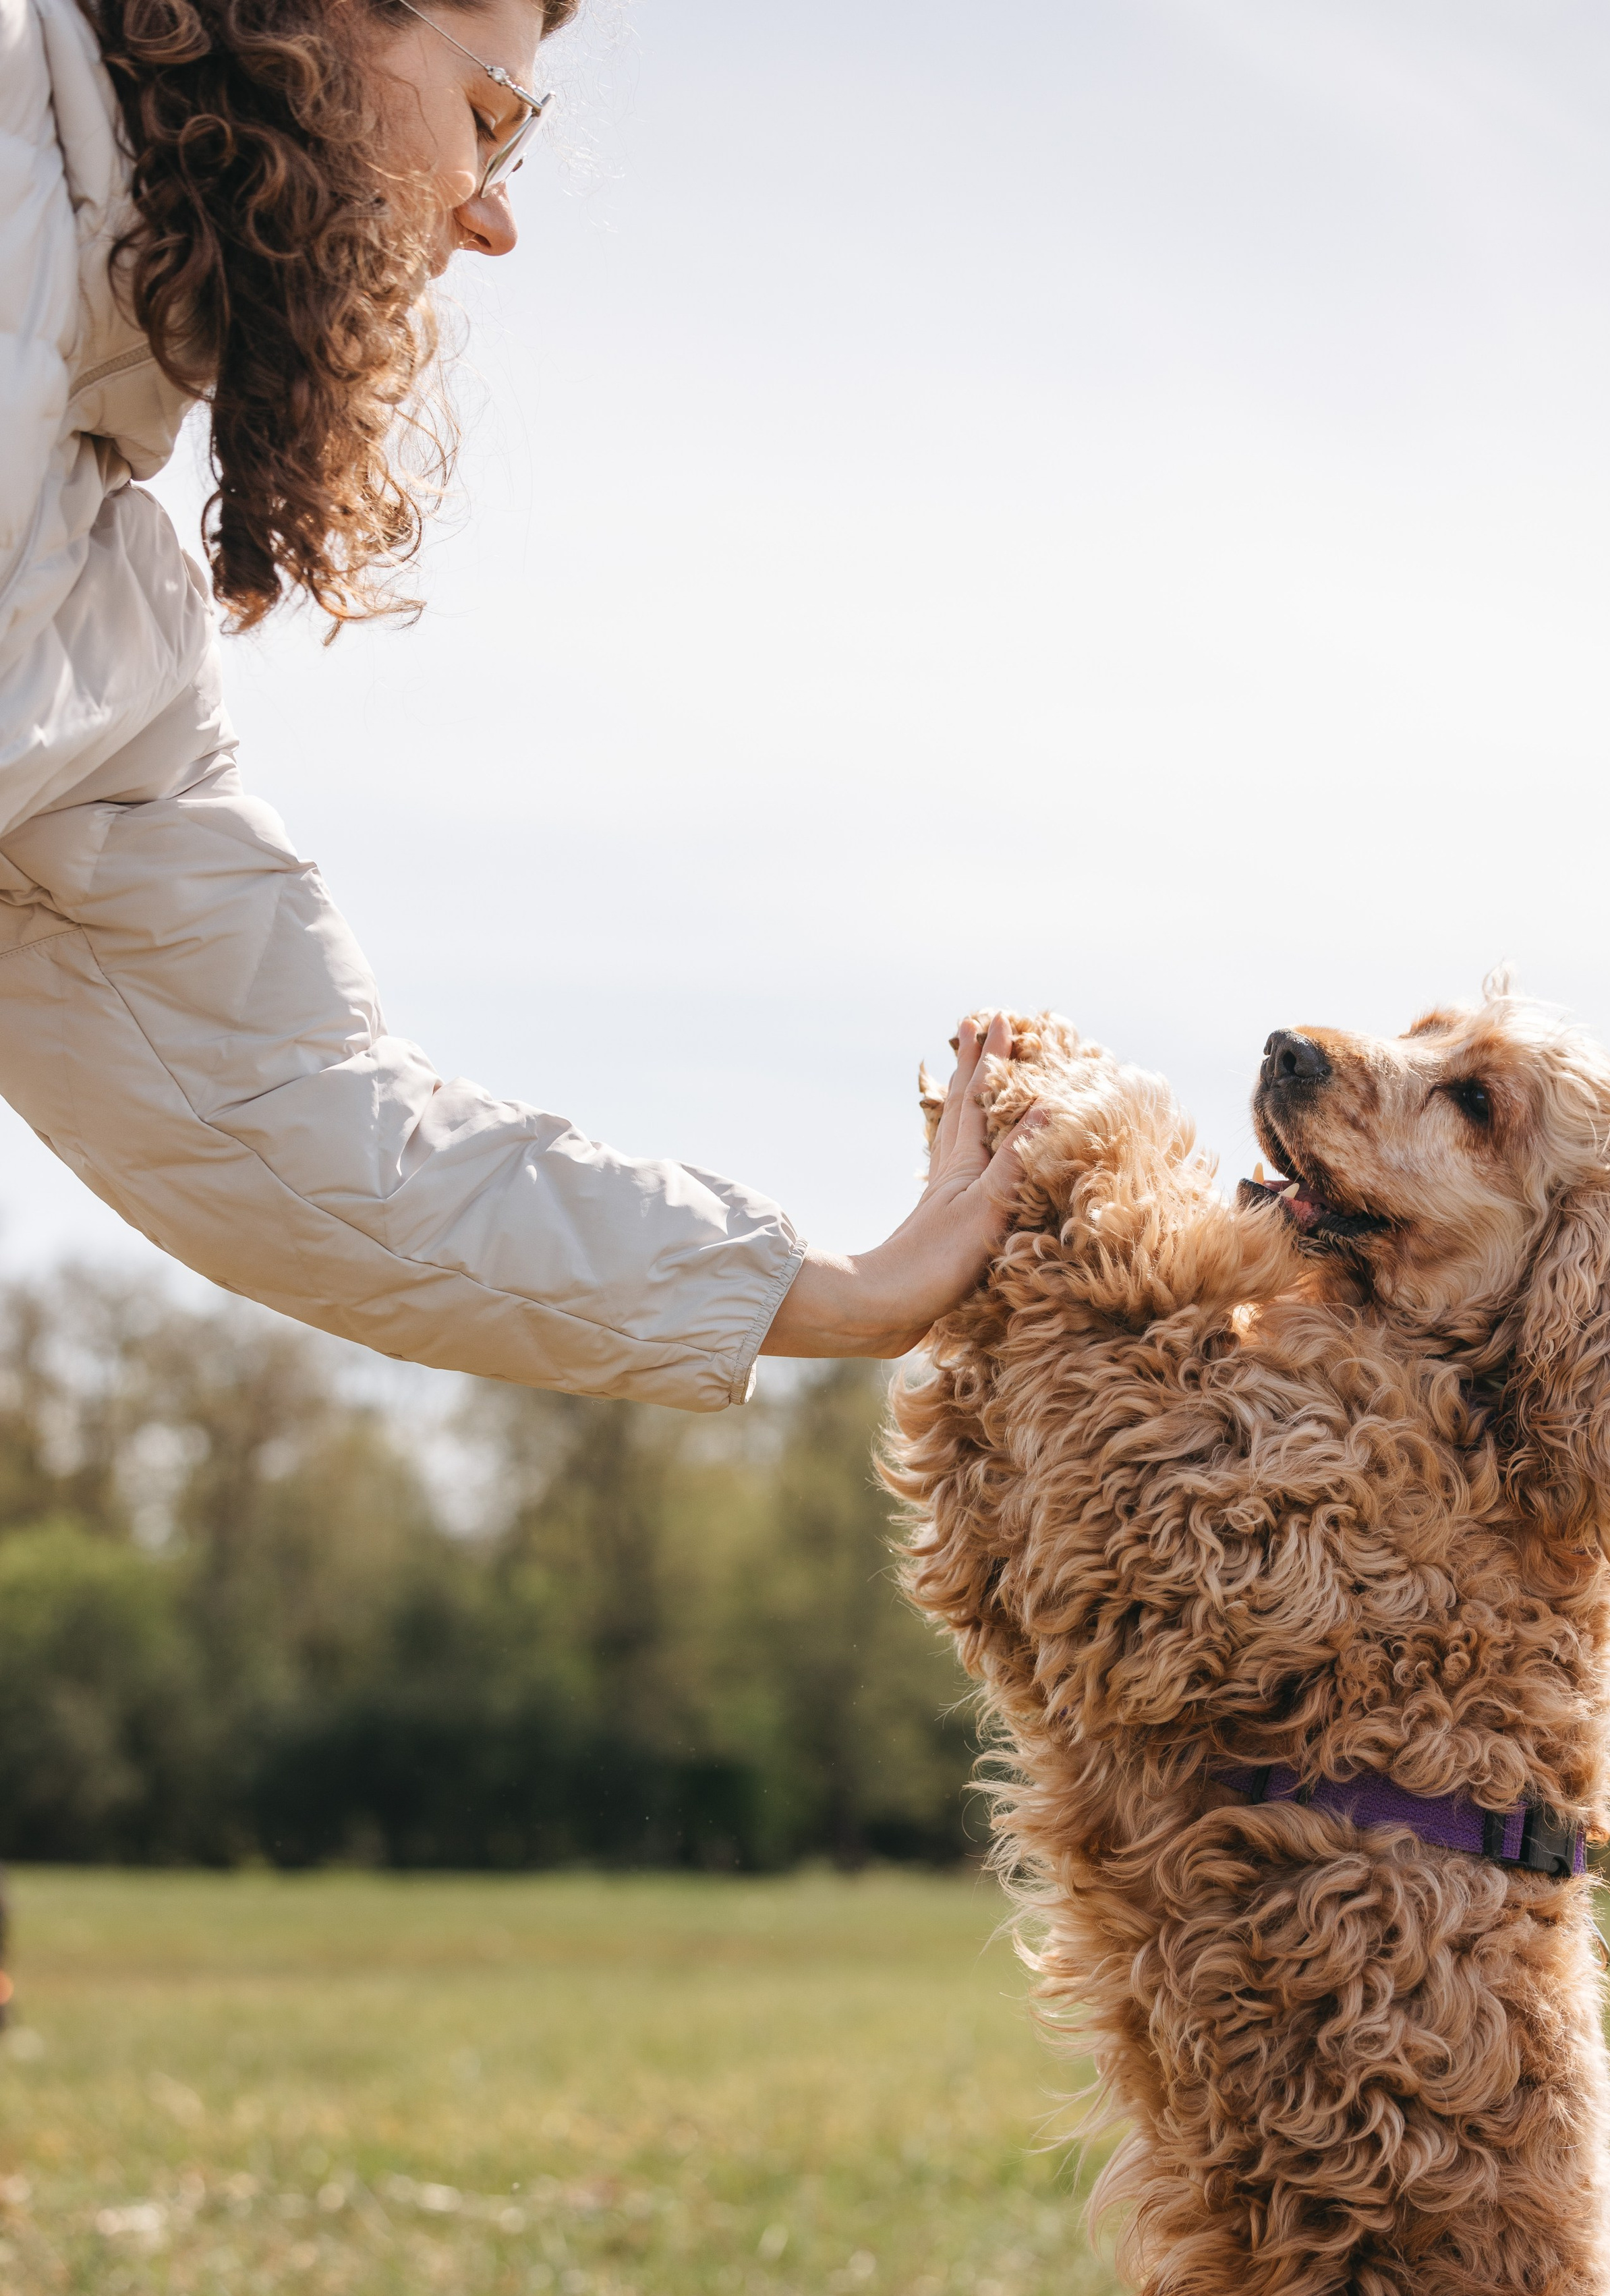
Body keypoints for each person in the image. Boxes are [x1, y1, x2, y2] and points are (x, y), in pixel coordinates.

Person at [0, 0, 1039, 1410]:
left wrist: (836, 1292)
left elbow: (308, 1127)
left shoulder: (103, 630)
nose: (486, 221)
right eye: (489, 119)